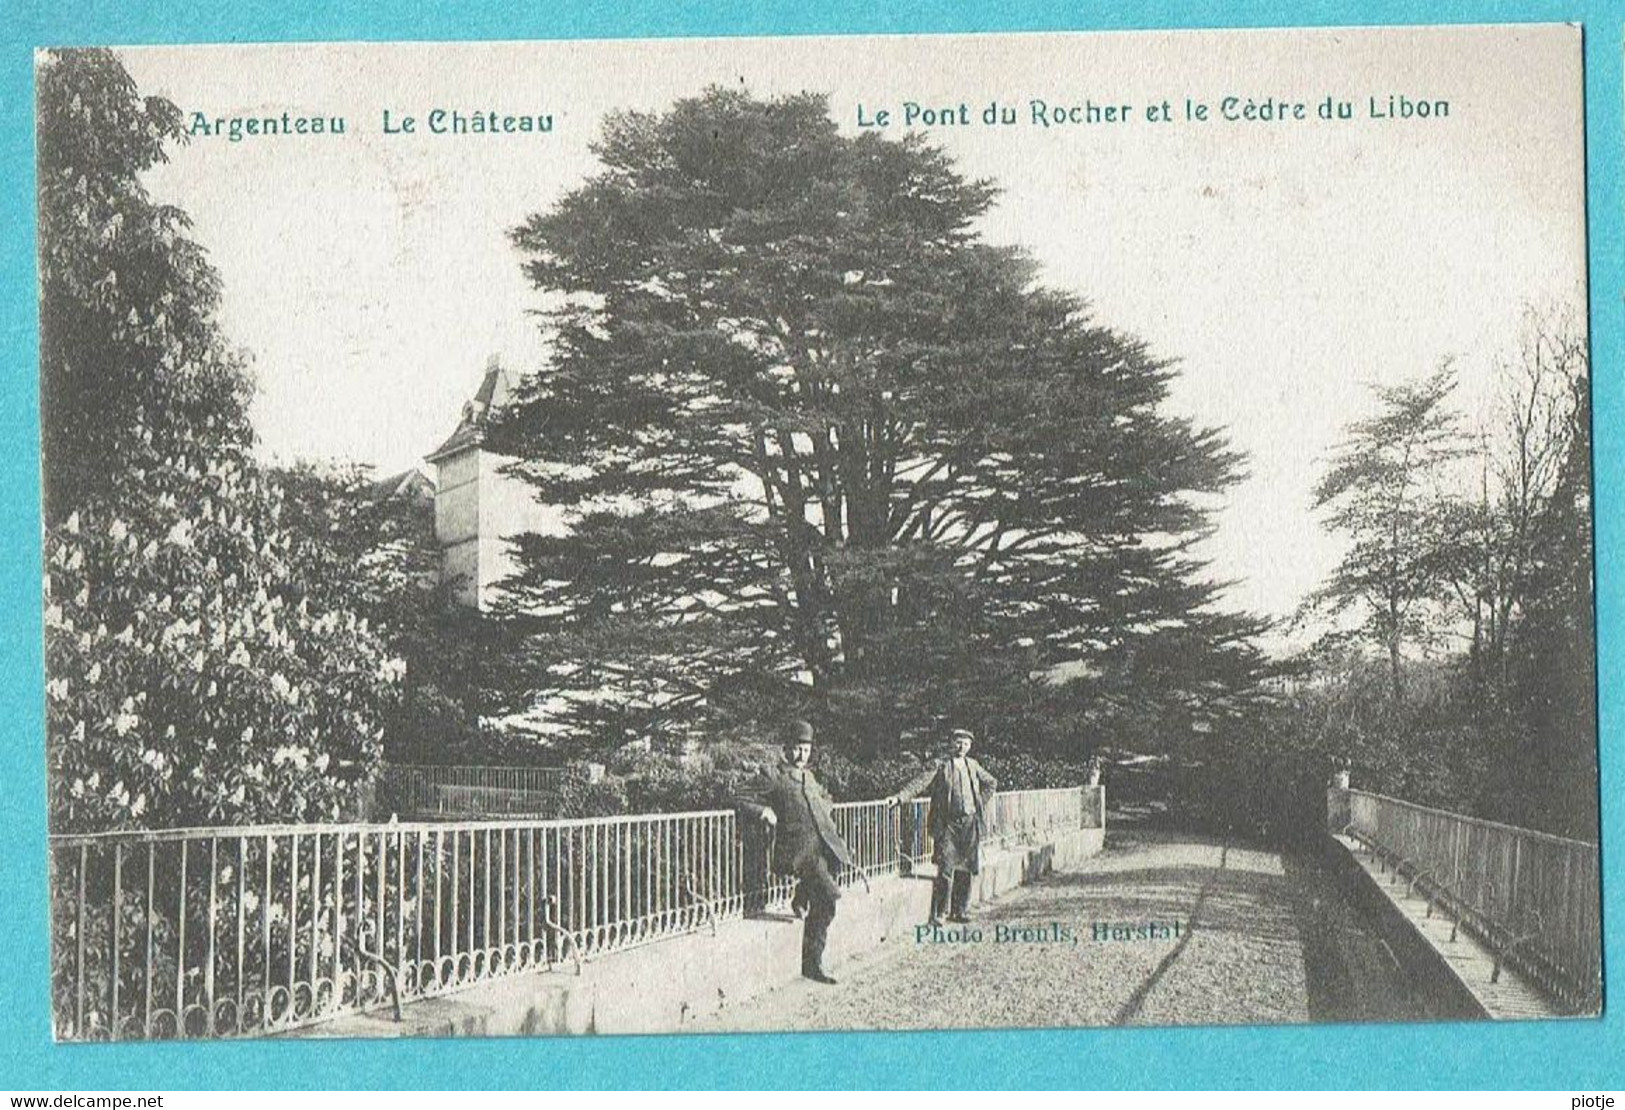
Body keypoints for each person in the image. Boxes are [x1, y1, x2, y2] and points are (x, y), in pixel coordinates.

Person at [733, 719, 853, 984]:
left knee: (831, 879)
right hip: (799, 851)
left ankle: (801, 897)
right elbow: (738, 794)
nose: (802, 755)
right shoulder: (773, 775)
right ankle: (813, 964)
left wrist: (826, 812)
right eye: (797, 749)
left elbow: (824, 799)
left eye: (807, 750)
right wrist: (762, 811)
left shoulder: (809, 777)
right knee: (829, 899)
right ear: (786, 749)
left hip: (823, 846)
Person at [890, 728, 998, 925]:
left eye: (965, 744)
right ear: (951, 743)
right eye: (958, 742)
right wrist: (900, 797)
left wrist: (979, 803)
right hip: (948, 825)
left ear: (970, 746)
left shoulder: (972, 765)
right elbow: (920, 783)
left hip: (969, 824)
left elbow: (991, 783)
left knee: (966, 869)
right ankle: (940, 913)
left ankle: (960, 911)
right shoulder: (940, 765)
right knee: (946, 868)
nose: (961, 747)